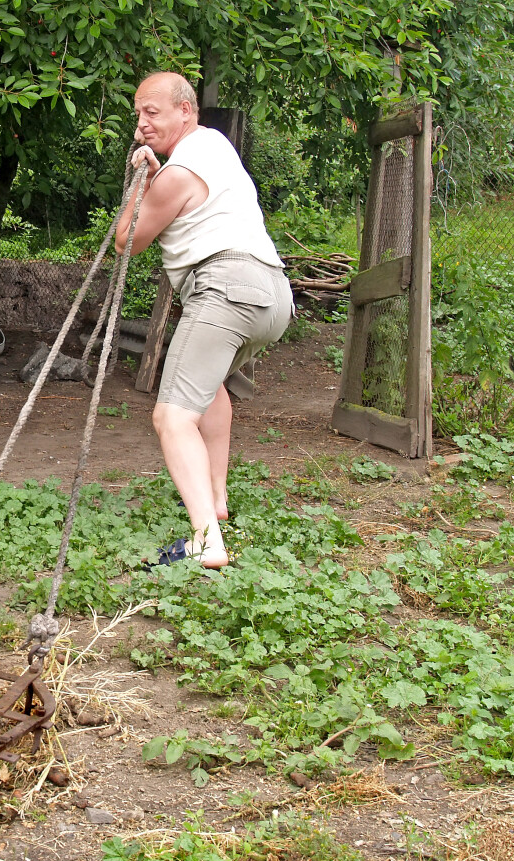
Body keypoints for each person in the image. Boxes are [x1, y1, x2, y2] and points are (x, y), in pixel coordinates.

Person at [115, 72, 293, 569]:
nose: (140, 126)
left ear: (186, 111)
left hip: (226, 288)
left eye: (151, 113)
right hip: (273, 296)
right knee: (209, 389)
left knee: (172, 416)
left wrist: (143, 181)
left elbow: (127, 239)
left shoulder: (177, 173)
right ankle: (215, 500)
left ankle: (206, 541)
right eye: (137, 115)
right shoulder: (216, 146)